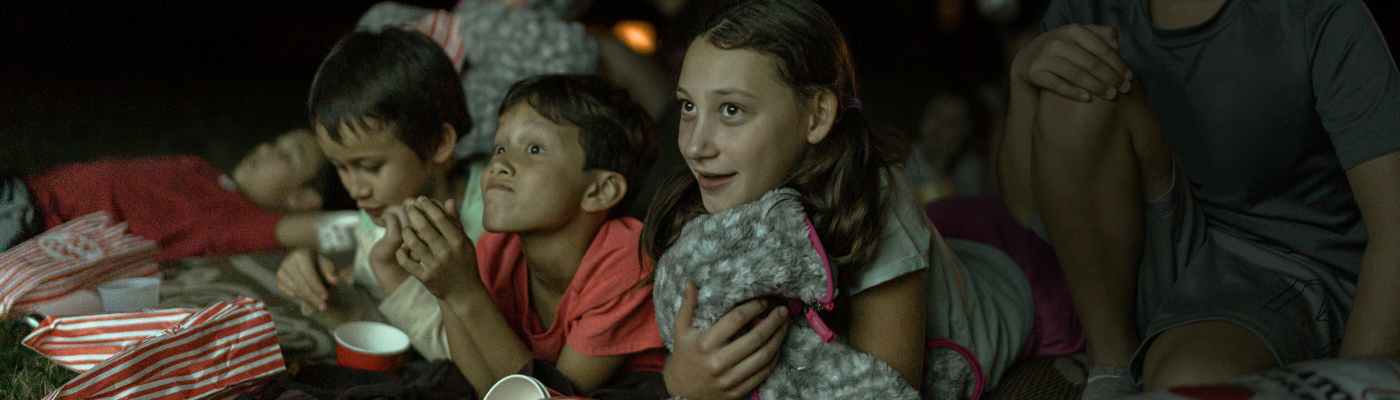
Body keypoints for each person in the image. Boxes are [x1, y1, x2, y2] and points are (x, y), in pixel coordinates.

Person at [641, 1, 1072, 398]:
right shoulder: (712, 188)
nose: (695, 146)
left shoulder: (874, 197)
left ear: (817, 116)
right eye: (688, 107)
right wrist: (680, 383)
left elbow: (885, 388)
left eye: (731, 110)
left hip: (1012, 288)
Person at [996, 0, 1400, 398]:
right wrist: (1022, 77)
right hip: (1153, 260)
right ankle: (1111, 367)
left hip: (1288, 270)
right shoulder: (1088, 7)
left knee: (1193, 380)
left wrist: (1350, 383)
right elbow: (1028, 207)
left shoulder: (1319, 13)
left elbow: (1395, 227)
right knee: (1075, 87)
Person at [275, 26, 665, 397]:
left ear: (599, 189)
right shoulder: (497, 248)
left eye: (533, 150)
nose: (500, 164)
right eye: (499, 147)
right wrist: (449, 289)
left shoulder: (626, 262)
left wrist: (464, 290)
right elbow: (482, 388)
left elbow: (549, 398)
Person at [0, 129, 333, 262]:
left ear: (303, 200)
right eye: (274, 143)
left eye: (288, 156)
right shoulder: (203, 172)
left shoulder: (235, 216)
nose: (265, 149)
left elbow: (329, 229)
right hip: (27, 187)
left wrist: (381, 217)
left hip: (30, 220)